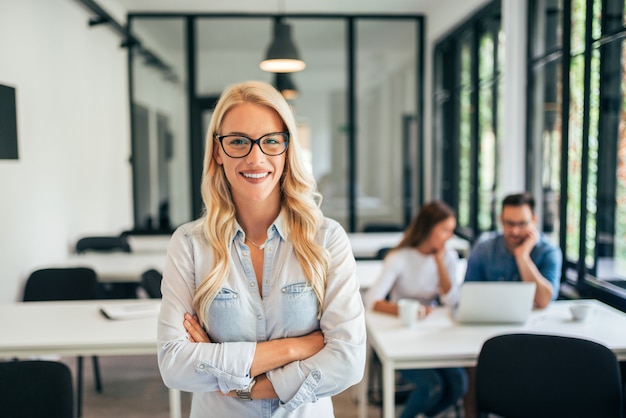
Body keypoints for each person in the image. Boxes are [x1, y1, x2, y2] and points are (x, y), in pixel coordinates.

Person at [157, 81, 366, 417]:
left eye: (270, 141)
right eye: (238, 141)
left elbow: (349, 362)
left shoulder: (327, 239)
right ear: (217, 151)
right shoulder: (189, 244)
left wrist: (241, 384)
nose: (256, 158)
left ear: (287, 149)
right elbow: (174, 365)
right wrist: (298, 347)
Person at [364, 201, 468, 418]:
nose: (450, 236)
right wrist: (408, 310)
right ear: (429, 228)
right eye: (445, 230)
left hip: (436, 336)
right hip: (403, 336)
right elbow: (372, 300)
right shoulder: (399, 257)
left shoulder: (449, 257)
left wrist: (439, 261)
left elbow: (451, 301)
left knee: (459, 384)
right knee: (432, 386)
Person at [463, 192, 562, 309]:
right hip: (490, 319)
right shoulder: (483, 248)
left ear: (534, 220)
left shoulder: (549, 251)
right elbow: (468, 295)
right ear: (501, 220)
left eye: (522, 224)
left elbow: (544, 301)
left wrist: (523, 257)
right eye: (509, 223)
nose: (515, 231)